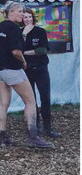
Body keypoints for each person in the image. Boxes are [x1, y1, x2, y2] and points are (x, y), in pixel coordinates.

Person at [0, 1, 52, 148]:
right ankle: (33, 137)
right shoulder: (14, 28)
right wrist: (23, 62)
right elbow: (16, 51)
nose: (22, 14)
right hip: (12, 70)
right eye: (20, 11)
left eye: (23, 12)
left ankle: (2, 137)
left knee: (3, 103)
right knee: (30, 101)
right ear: (11, 12)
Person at [22, 8, 61, 137]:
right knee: (31, 99)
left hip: (41, 68)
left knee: (45, 97)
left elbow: (42, 50)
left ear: (33, 18)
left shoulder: (40, 31)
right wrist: (24, 36)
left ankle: (48, 128)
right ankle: (35, 126)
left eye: (29, 17)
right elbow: (17, 49)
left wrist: (26, 52)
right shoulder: (19, 33)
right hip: (27, 69)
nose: (27, 19)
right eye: (25, 17)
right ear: (21, 19)